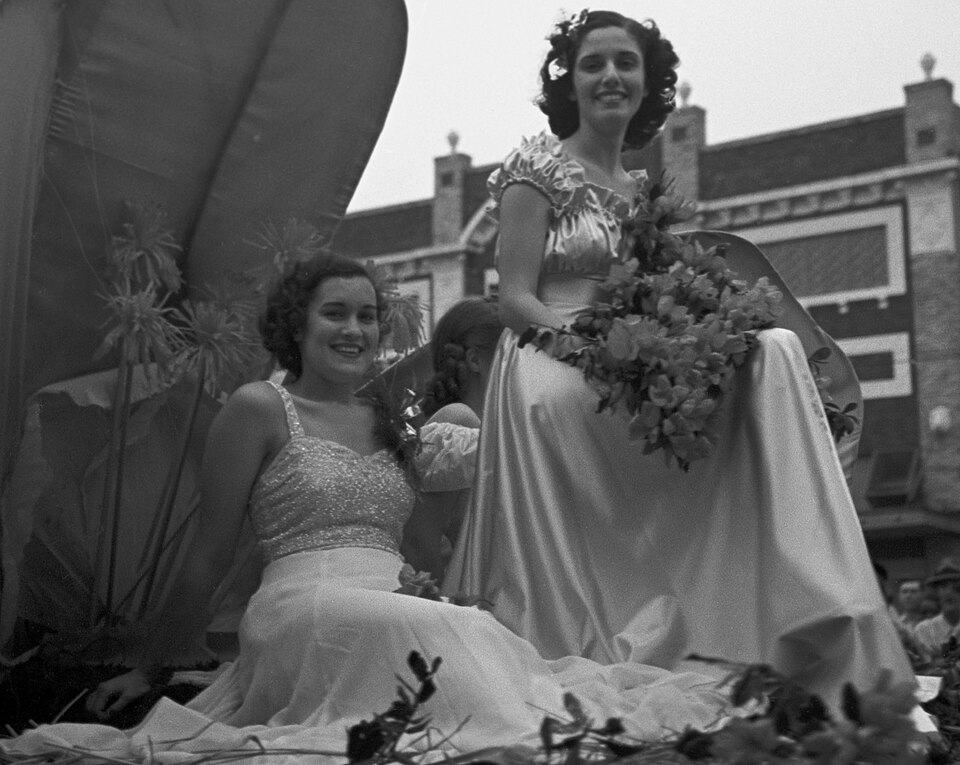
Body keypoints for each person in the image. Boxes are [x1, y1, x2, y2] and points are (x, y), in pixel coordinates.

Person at [5, 253, 730, 759]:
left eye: (368, 317)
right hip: (302, 602)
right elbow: (209, 551)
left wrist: (470, 485)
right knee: (422, 627)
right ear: (297, 323)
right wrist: (151, 664)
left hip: (389, 593)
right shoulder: (259, 408)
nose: (355, 329)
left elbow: (422, 545)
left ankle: (521, 729)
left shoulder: (394, 414)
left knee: (460, 622)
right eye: (335, 314)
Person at [443, 8, 914, 713]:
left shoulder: (643, 194)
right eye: (593, 62)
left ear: (648, 81)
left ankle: (813, 610)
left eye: (625, 63)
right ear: (569, 79)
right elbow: (513, 298)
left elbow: (653, 301)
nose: (609, 76)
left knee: (773, 350)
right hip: (548, 355)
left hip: (633, 357)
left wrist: (692, 345)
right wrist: (595, 352)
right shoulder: (535, 165)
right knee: (626, 399)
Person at [404, 297, 502, 579]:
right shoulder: (457, 421)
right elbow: (421, 545)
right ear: (474, 360)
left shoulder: (494, 429)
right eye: (513, 354)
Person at [914, 559, 960, 658]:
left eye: (956, 588)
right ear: (936, 592)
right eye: (943, 587)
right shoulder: (924, 629)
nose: (948, 592)